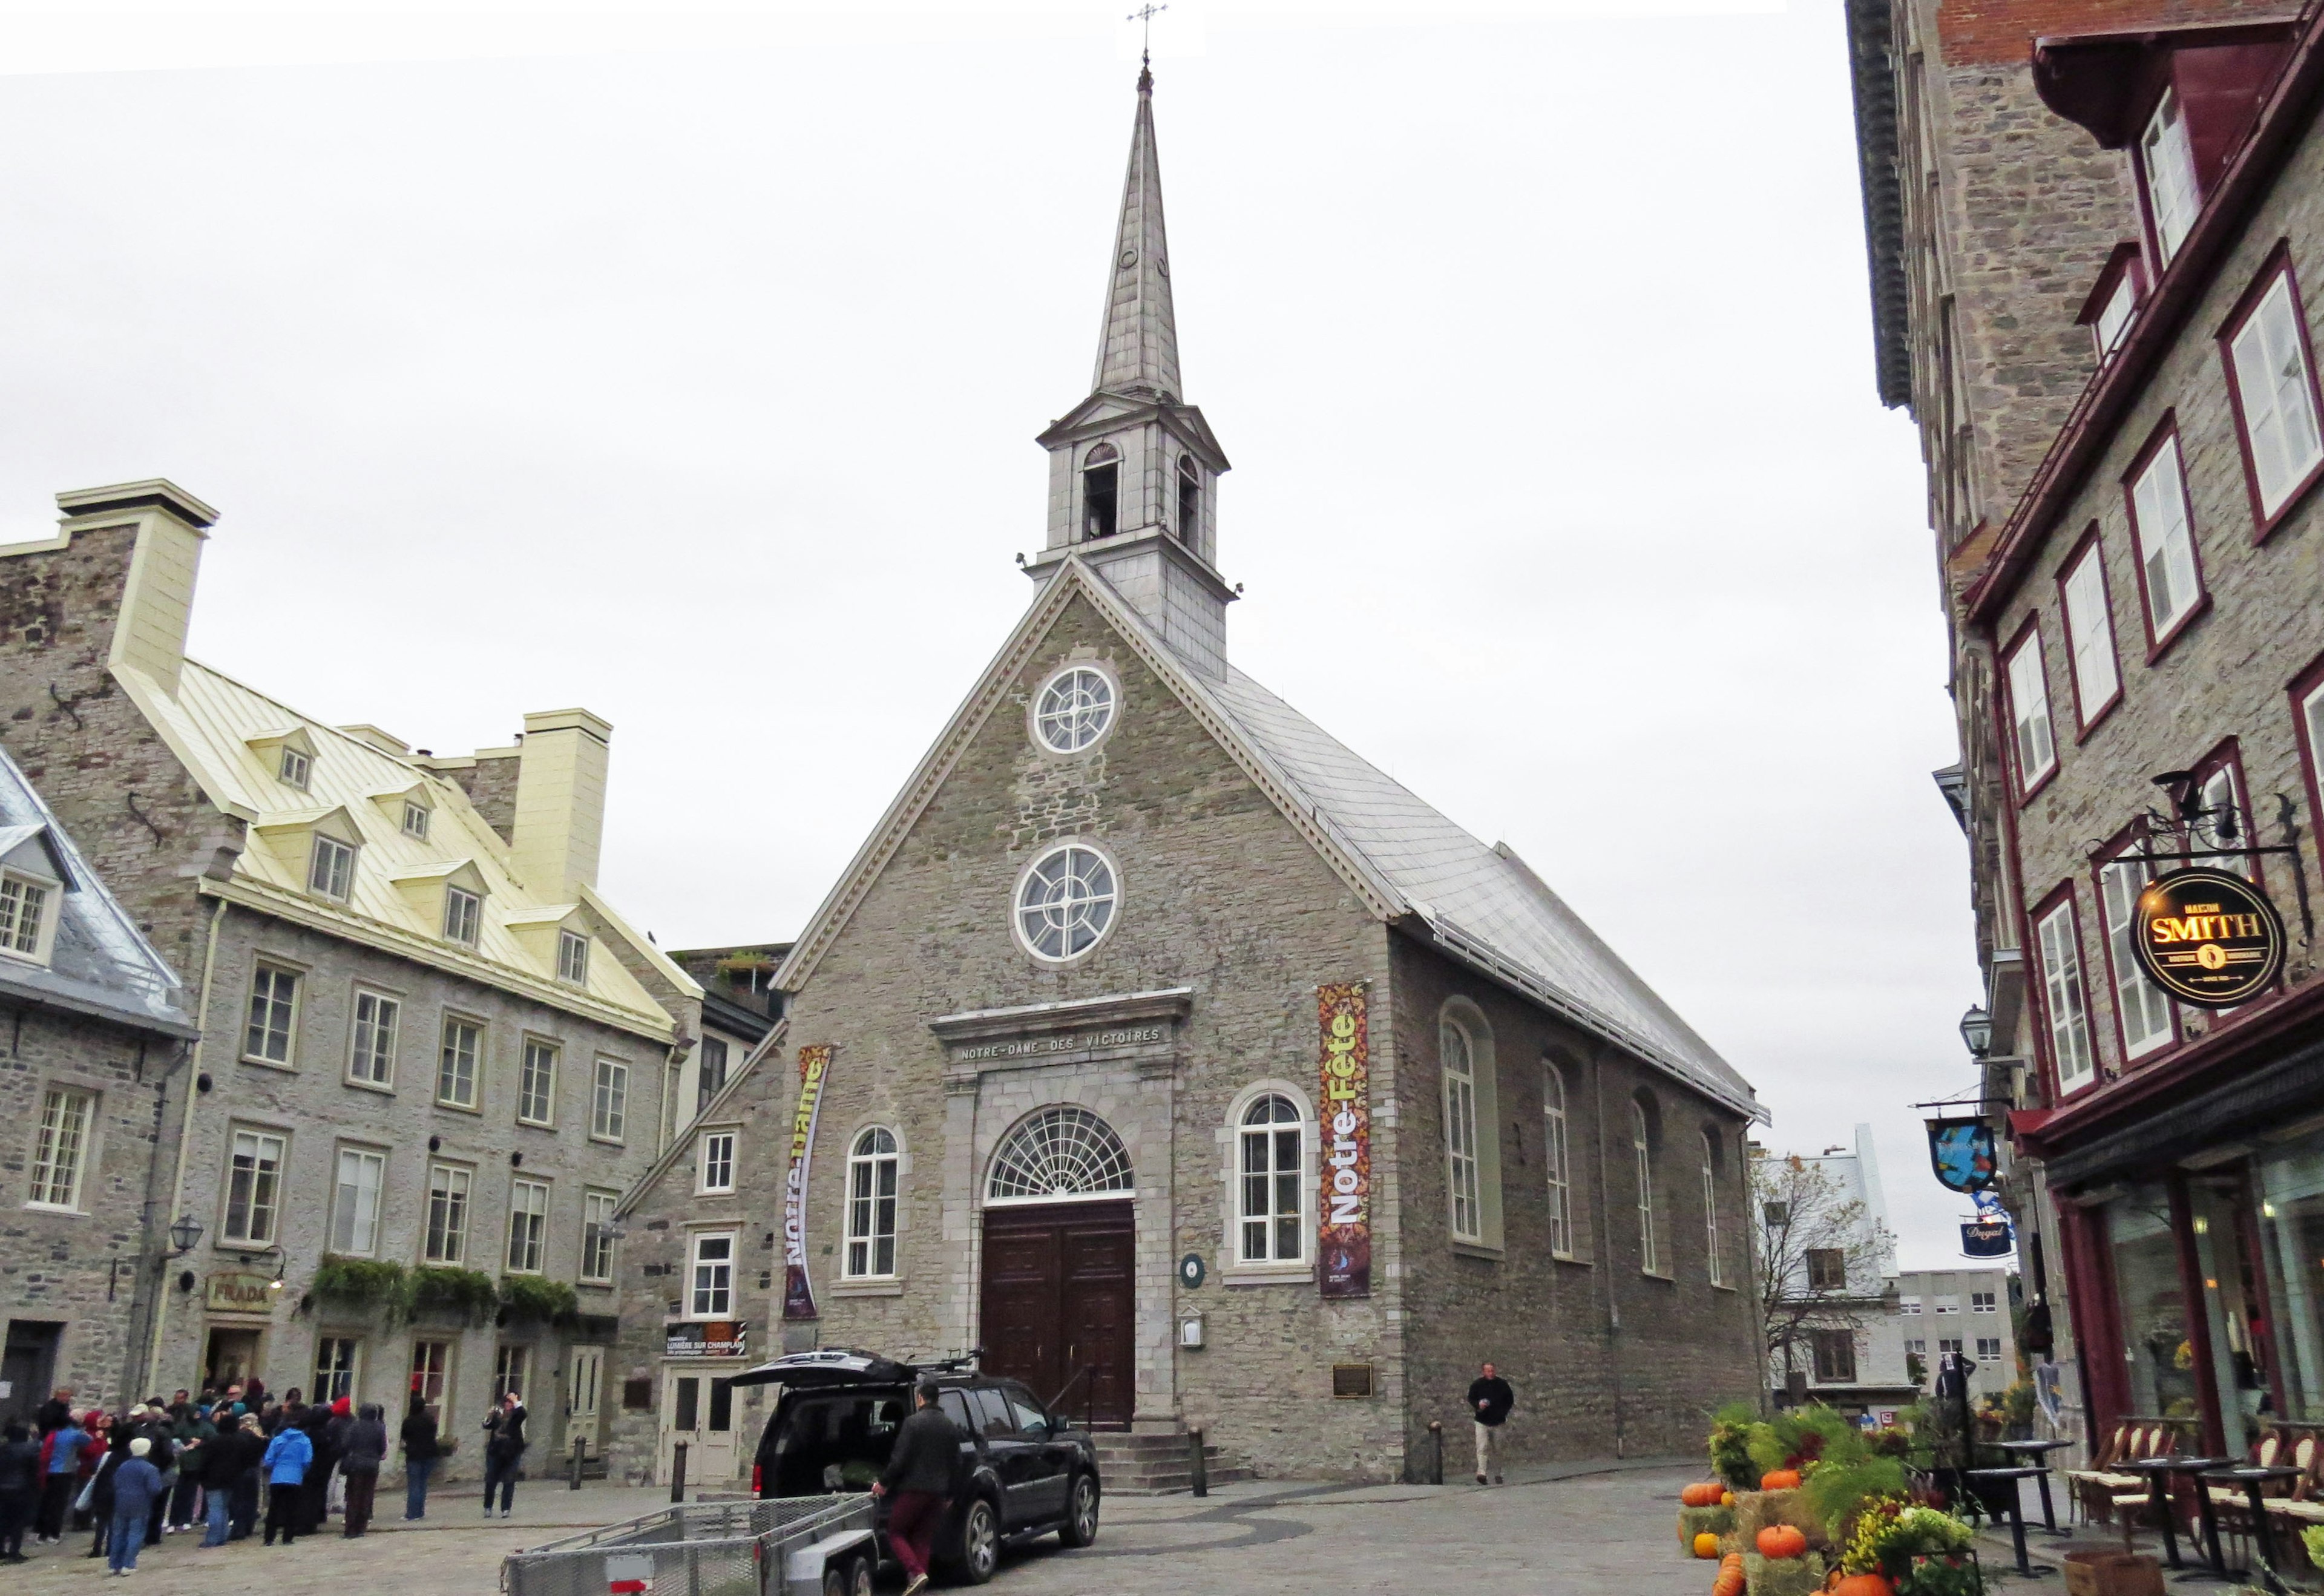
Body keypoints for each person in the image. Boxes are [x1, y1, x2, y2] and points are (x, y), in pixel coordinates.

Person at [869, 1379, 963, 1596]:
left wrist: (883, 1483)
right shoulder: (949, 1426)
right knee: (922, 1539)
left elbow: (899, 1460)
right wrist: (951, 1494)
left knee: (895, 1532)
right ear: (937, 1399)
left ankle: (915, 1572)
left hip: (914, 1491)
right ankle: (918, 1587)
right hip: (939, 1494)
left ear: (920, 1398)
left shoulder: (913, 1423)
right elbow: (956, 1463)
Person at [107, 1436, 163, 1575]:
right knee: (136, 1534)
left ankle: (115, 1564)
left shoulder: (123, 1466)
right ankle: (129, 1564)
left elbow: (115, 1483)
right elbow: (155, 1489)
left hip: (121, 1502)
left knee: (119, 1533)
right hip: (141, 1503)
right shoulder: (150, 1469)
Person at [34, 1408, 87, 1543]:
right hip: (65, 1472)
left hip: (50, 1470)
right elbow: (88, 1441)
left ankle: (42, 1534)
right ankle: (54, 1533)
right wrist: (82, 1428)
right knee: (59, 1504)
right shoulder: (75, 1434)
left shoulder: (54, 1434)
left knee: (47, 1502)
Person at [197, 1407, 245, 1547]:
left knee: (215, 1510)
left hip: (214, 1479)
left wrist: (202, 1476)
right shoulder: (240, 1441)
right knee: (224, 1509)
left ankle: (212, 1539)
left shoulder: (215, 1442)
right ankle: (222, 1536)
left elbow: (206, 1461)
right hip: (232, 1479)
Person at [260, 1420, 312, 1546]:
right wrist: (301, 1472)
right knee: (292, 1509)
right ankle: (287, 1538)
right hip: (295, 1478)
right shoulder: (305, 1441)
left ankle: (269, 1538)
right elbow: (307, 1461)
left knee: (273, 1508)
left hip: (277, 1477)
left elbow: (268, 1460)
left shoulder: (278, 1440)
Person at [341, 1404, 386, 1537]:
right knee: (367, 1496)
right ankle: (361, 1528)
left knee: (354, 1496)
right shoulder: (379, 1428)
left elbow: (345, 1444)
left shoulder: (355, 1426)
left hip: (356, 1464)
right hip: (372, 1465)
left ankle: (350, 1529)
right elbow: (382, 1447)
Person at [481, 1392, 528, 1519]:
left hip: (512, 1452)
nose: (508, 1404)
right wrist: (489, 1416)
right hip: (495, 1451)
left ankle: (506, 1508)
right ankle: (488, 1507)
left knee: (509, 1481)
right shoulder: (499, 1415)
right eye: (507, 1401)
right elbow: (486, 1425)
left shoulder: (516, 1415)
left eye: (511, 1402)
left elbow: (523, 1414)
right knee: (491, 1480)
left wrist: (516, 1400)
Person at [1468, 1361, 1515, 1486]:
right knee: (1482, 1447)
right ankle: (1482, 1473)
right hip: (1482, 1421)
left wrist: (1502, 1412)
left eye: (1492, 1370)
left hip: (1498, 1422)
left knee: (1498, 1449)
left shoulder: (1502, 1385)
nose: (1491, 1373)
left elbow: (1510, 1400)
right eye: (1488, 1371)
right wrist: (1478, 1405)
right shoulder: (1477, 1385)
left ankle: (1498, 1473)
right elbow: (1471, 1398)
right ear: (1483, 1372)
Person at [0, 1419, 40, 1562]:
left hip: (3, 1489)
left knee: (3, 1520)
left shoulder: (3, 1449)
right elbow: (34, 1471)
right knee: (18, 1522)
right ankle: (14, 1551)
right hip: (22, 1489)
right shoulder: (29, 1450)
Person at [399, 1394, 441, 1521]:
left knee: (414, 1485)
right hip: (430, 1454)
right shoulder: (430, 1419)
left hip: (414, 1455)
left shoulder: (409, 1421)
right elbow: (434, 1433)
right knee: (423, 1483)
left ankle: (412, 1513)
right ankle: (420, 1511)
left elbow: (404, 1437)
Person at [228, 1416, 264, 1542]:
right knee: (251, 1500)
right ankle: (249, 1526)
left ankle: (239, 1529)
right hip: (254, 1470)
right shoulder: (259, 1438)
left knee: (239, 1501)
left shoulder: (238, 1437)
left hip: (241, 1470)